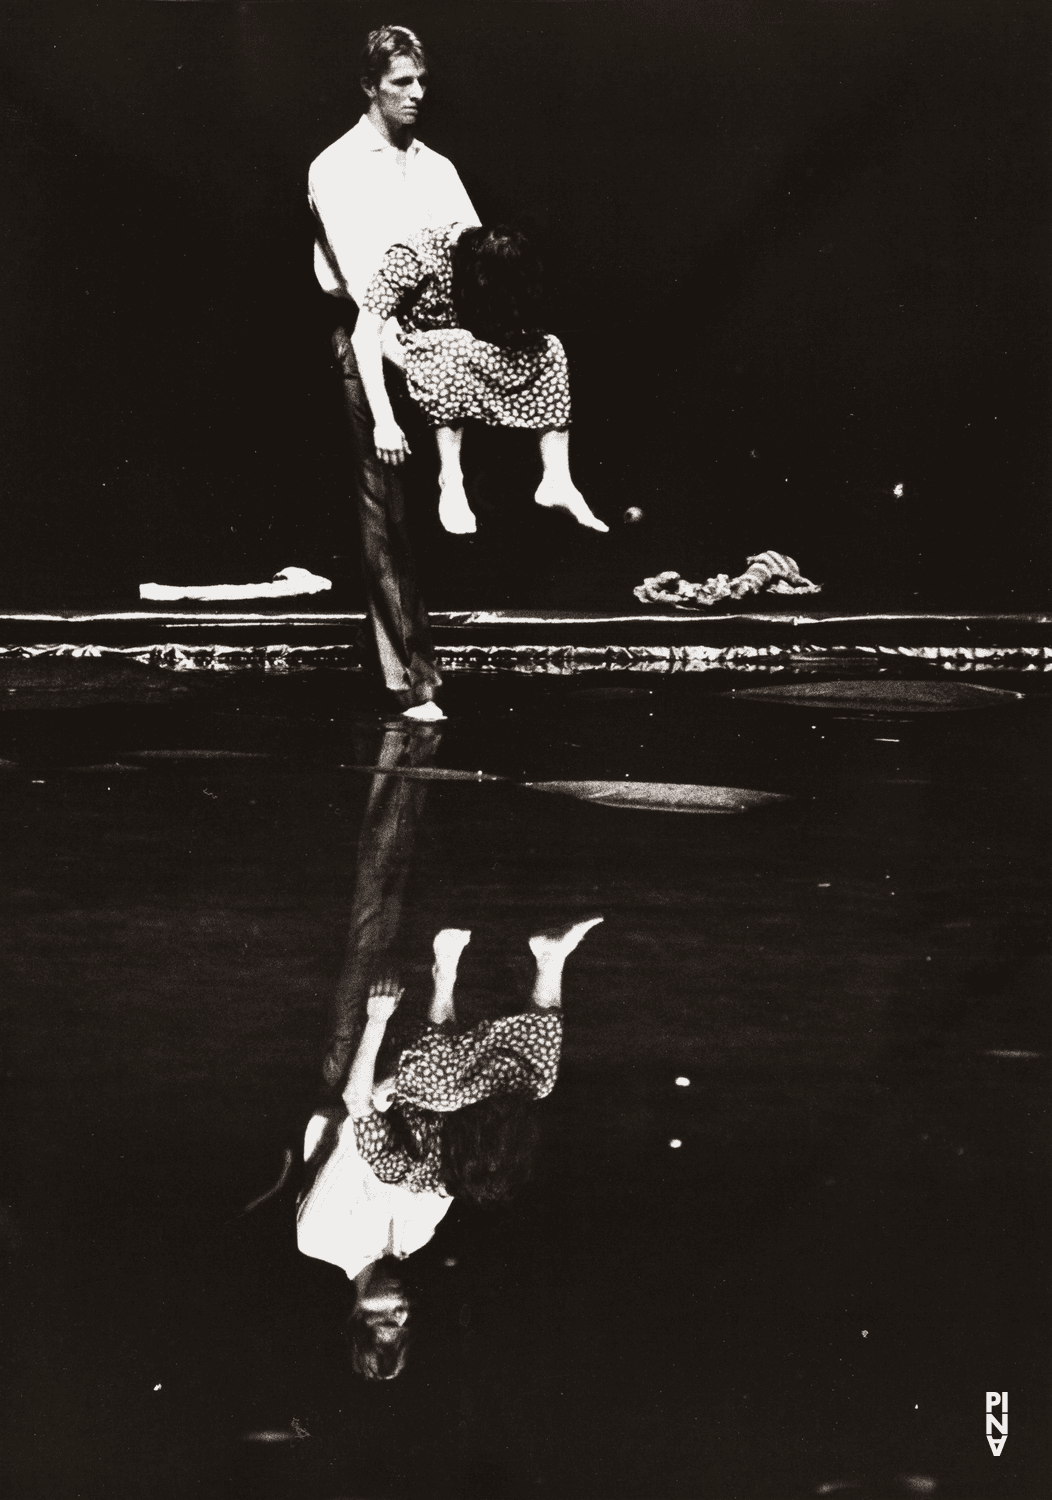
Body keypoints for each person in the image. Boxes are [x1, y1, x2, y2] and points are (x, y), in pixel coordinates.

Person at [308, 24, 479, 722]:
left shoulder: (436, 167)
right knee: (385, 508)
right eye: (401, 82)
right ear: (369, 86)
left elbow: (468, 252)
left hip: (440, 335)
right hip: (372, 336)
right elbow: (358, 278)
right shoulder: (336, 166)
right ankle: (409, 680)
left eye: (421, 81)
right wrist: (405, 359)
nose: (416, 94)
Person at [353, 222, 609, 537]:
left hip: (471, 351)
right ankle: (451, 477)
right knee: (453, 342)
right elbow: (364, 334)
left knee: (549, 347)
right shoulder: (412, 257)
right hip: (411, 350)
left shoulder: (500, 257)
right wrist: (385, 422)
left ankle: (557, 479)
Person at [349, 918, 604, 1207]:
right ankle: (550, 957)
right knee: (538, 1085)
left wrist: (377, 1019)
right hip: (462, 1066)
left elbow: (356, 1101)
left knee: (444, 1095)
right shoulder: (495, 1133)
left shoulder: (407, 1171)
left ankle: (444, 975)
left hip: (401, 1055)